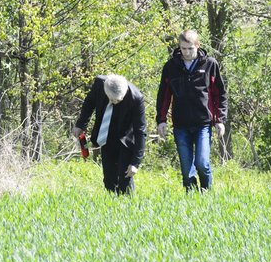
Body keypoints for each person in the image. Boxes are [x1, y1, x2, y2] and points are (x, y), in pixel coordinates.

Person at [155, 30, 228, 192]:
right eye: (183, 49)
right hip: (181, 125)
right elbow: (164, 95)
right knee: (187, 172)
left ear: (197, 46)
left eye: (190, 49)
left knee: (202, 163)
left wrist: (220, 120)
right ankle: (192, 198)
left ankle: (207, 194)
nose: (187, 52)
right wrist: (161, 120)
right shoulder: (170, 67)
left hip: (203, 124)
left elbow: (219, 94)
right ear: (179, 48)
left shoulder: (209, 64)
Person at [73, 74, 146, 195]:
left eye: (118, 100)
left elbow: (140, 131)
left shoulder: (136, 98)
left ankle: (127, 207)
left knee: (125, 179)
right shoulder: (99, 85)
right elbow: (89, 104)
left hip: (126, 138)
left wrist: (135, 163)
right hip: (106, 135)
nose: (114, 102)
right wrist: (80, 124)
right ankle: (112, 204)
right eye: (111, 99)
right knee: (109, 179)